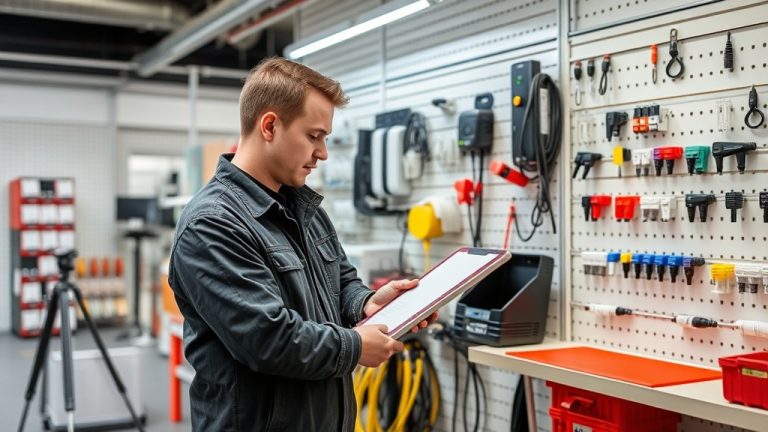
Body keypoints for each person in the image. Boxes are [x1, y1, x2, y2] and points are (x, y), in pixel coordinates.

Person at [168, 57, 436, 431]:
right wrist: (355, 346)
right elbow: (267, 338)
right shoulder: (212, 224)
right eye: (313, 136)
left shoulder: (303, 208)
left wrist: (367, 303)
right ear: (270, 126)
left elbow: (339, 282)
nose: (323, 153)